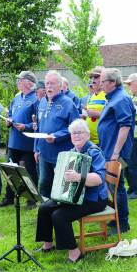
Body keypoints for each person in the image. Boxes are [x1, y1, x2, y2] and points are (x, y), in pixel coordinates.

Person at [35, 119, 108, 262]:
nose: (76, 136)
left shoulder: (94, 152)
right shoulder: (72, 152)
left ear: (87, 135)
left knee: (59, 215)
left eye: (79, 132)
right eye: (73, 133)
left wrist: (78, 177)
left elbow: (99, 178)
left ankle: (75, 252)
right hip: (74, 195)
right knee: (44, 208)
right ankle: (48, 244)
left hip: (94, 199)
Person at [97, 68, 135, 234]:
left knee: (117, 186)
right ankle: (115, 219)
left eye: (103, 81)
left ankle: (122, 223)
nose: (100, 84)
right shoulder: (113, 97)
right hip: (109, 151)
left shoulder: (121, 99)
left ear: (113, 82)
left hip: (116, 153)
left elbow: (125, 126)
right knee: (112, 186)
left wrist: (115, 153)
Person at [0, 71, 38, 209]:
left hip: (28, 142)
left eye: (20, 79)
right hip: (14, 141)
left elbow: (39, 123)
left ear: (29, 82)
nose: (18, 81)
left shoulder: (36, 99)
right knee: (10, 170)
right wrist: (9, 121)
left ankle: (31, 200)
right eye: (18, 79)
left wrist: (26, 126)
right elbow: (11, 114)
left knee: (29, 172)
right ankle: (9, 197)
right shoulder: (17, 97)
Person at [34, 70, 79, 198]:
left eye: (52, 83)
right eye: (47, 83)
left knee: (61, 186)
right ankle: (45, 213)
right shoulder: (42, 102)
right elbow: (39, 127)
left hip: (61, 153)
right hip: (43, 152)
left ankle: (59, 214)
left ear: (60, 86)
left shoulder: (68, 103)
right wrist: (36, 149)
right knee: (43, 184)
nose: (49, 86)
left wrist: (57, 136)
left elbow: (75, 127)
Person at [84, 66, 106, 145]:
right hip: (90, 141)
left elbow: (113, 115)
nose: (93, 80)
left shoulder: (107, 95)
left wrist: (96, 114)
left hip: (102, 141)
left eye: (96, 77)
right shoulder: (91, 96)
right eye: (92, 77)